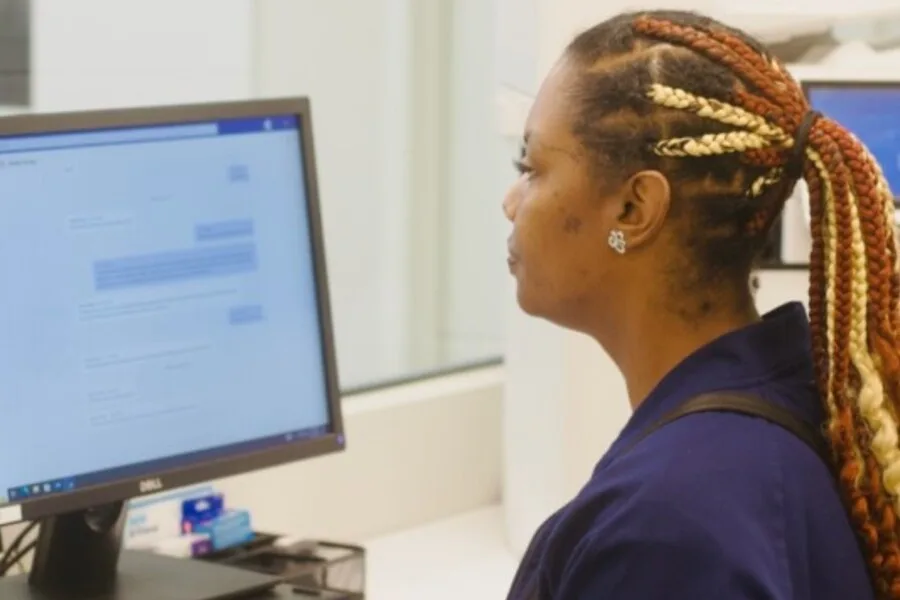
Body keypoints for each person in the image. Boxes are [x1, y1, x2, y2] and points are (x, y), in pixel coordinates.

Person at [502, 10, 900, 600]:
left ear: (633, 211)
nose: (512, 202)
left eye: (531, 167)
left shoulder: (665, 531)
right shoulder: (799, 402)